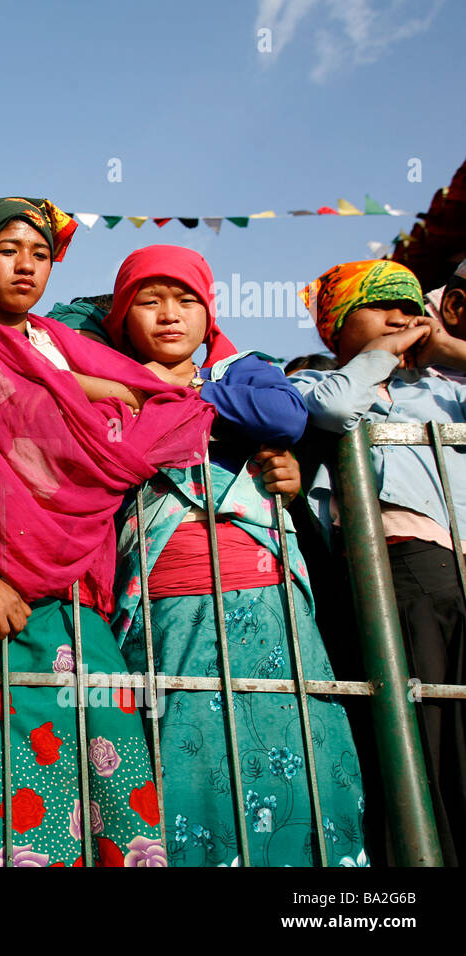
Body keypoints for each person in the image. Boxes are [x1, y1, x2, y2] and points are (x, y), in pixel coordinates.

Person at [0, 198, 215, 866]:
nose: (27, 265)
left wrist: (82, 395)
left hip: (76, 585)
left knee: (107, 758)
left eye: (40, 254)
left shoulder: (58, 343)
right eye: (8, 250)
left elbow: (159, 405)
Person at [103, 245, 365, 867]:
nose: (170, 315)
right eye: (149, 301)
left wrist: (185, 397)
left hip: (267, 603)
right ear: (120, 317)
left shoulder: (242, 370)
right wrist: (144, 390)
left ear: (209, 313)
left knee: (294, 742)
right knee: (178, 758)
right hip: (162, 606)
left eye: (187, 300)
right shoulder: (100, 382)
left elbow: (282, 416)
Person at [291, 258, 466, 866]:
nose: (401, 315)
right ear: (336, 327)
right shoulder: (325, 382)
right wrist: (385, 353)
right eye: (379, 305)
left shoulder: (445, 391)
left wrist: (449, 348)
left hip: (458, 568)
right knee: (415, 733)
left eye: (410, 305)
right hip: (398, 569)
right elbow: (335, 413)